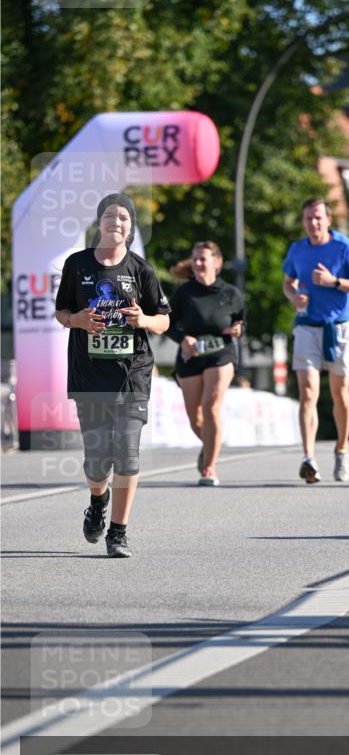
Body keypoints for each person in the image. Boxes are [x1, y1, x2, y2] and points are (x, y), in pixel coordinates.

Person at [54, 193, 171, 557]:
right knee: (96, 460)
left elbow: (164, 320)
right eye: (109, 215)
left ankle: (118, 532)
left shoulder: (141, 270)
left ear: (130, 227)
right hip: (89, 376)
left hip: (132, 375)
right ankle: (97, 499)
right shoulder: (77, 265)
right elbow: (62, 313)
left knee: (128, 455)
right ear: (99, 223)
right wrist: (77, 321)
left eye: (123, 217)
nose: (115, 222)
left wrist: (144, 320)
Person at [282, 198, 349, 483]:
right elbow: (288, 282)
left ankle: (342, 450)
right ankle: (308, 458)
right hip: (307, 326)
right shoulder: (297, 250)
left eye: (318, 218)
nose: (313, 223)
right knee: (308, 392)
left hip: (340, 327)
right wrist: (293, 296)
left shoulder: (344, 247)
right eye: (308, 218)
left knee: (339, 392)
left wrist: (334, 281)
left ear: (328, 219)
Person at [167, 241, 244, 486]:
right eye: (196, 259)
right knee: (195, 417)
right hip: (190, 356)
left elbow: (242, 321)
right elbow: (167, 323)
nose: (199, 263)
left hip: (221, 353)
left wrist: (238, 328)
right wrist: (182, 339)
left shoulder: (231, 293)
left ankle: (209, 468)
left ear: (217, 263)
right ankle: (209, 445)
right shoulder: (183, 292)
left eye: (204, 258)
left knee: (211, 406)